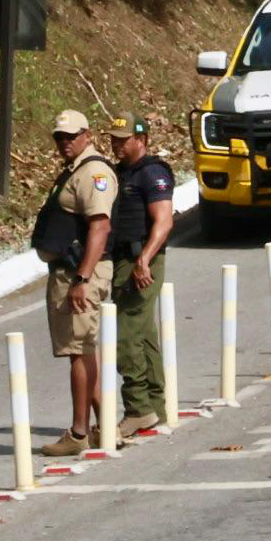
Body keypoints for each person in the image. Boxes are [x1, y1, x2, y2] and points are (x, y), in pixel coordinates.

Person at [30, 110, 117, 456]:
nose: (64, 142)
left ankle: (79, 432)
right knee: (82, 350)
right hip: (69, 271)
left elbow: (100, 227)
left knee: (79, 352)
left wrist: (82, 278)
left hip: (79, 273)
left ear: (87, 135)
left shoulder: (94, 172)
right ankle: (106, 427)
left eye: (71, 136)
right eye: (59, 137)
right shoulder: (76, 169)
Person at [107, 113, 175, 438]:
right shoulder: (119, 173)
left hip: (141, 260)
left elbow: (164, 221)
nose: (116, 144)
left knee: (125, 334)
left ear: (141, 140)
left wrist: (144, 259)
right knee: (143, 333)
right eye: (113, 139)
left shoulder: (152, 173)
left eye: (123, 139)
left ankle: (137, 409)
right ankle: (155, 406)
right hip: (123, 259)